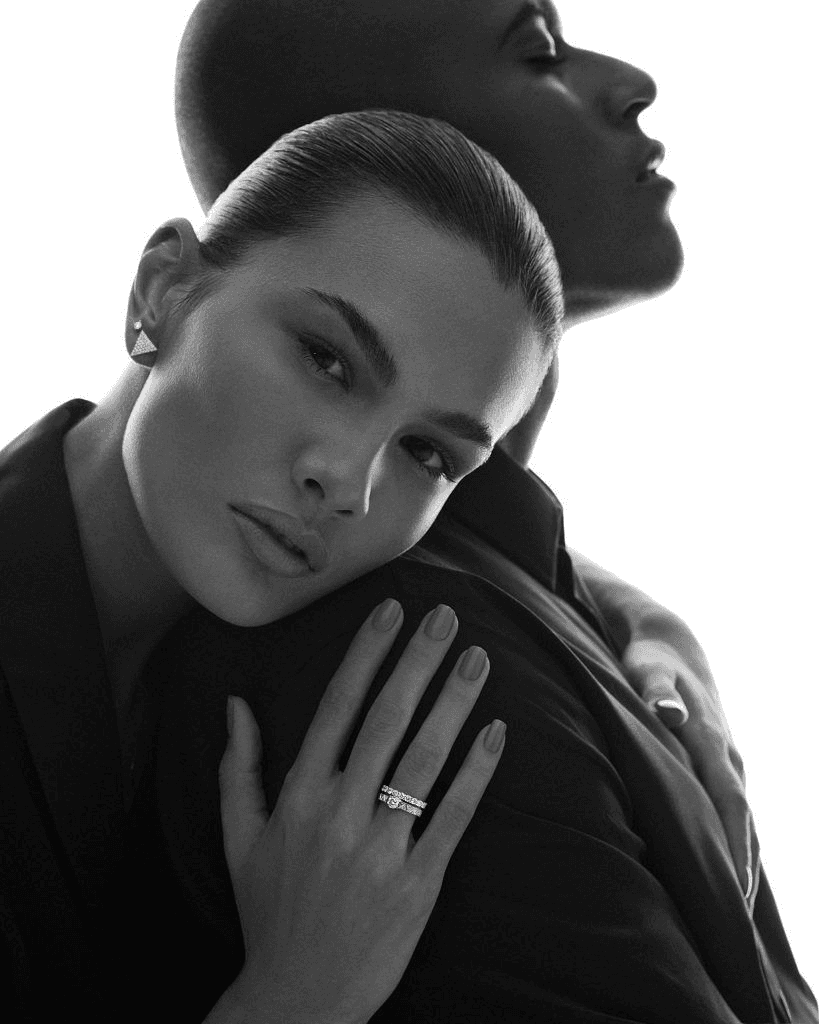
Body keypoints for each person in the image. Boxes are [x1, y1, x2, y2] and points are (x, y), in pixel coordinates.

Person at [143, 0, 818, 1021]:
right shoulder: (411, 663)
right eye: (537, 50)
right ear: (393, 141)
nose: (629, 84)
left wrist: (644, 622)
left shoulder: (509, 577)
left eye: (429, 453)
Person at [0, 109, 566, 1022]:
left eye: (425, 453)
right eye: (326, 359)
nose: (348, 484)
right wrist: (295, 997)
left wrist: (657, 644)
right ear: (163, 288)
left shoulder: (245, 667)